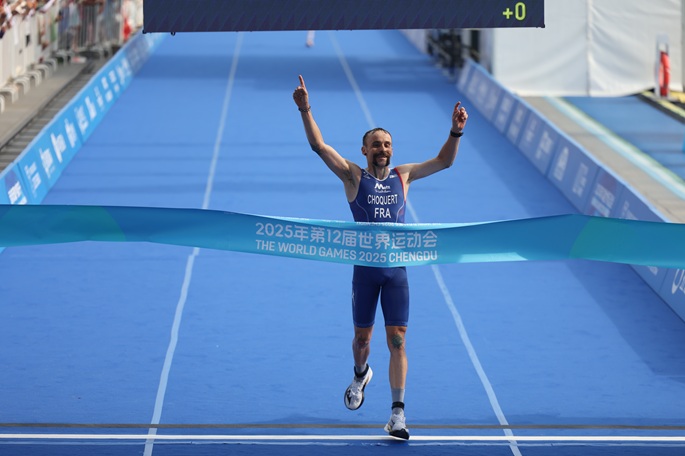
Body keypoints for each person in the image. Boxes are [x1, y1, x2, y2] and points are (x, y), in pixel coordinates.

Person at [292, 75, 468, 440]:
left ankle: (397, 414)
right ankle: (361, 374)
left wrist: (455, 132)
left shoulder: (404, 176)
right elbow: (319, 146)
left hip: (396, 273)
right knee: (362, 341)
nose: (382, 149)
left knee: (398, 339)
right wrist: (306, 109)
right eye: (376, 144)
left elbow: (444, 162)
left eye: (387, 144)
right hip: (366, 273)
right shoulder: (353, 178)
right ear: (364, 150)